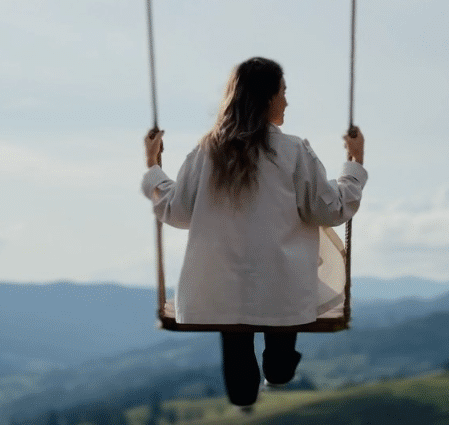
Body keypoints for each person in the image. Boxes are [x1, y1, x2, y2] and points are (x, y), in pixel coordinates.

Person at [141, 57, 367, 411]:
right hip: (281, 285)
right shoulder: (293, 150)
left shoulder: (206, 152)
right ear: (268, 98)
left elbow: (177, 211)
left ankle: (258, 383)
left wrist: (154, 168)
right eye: (283, 93)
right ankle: (277, 369)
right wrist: (354, 166)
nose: (287, 102)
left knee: (240, 380)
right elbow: (328, 209)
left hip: (216, 288)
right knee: (278, 364)